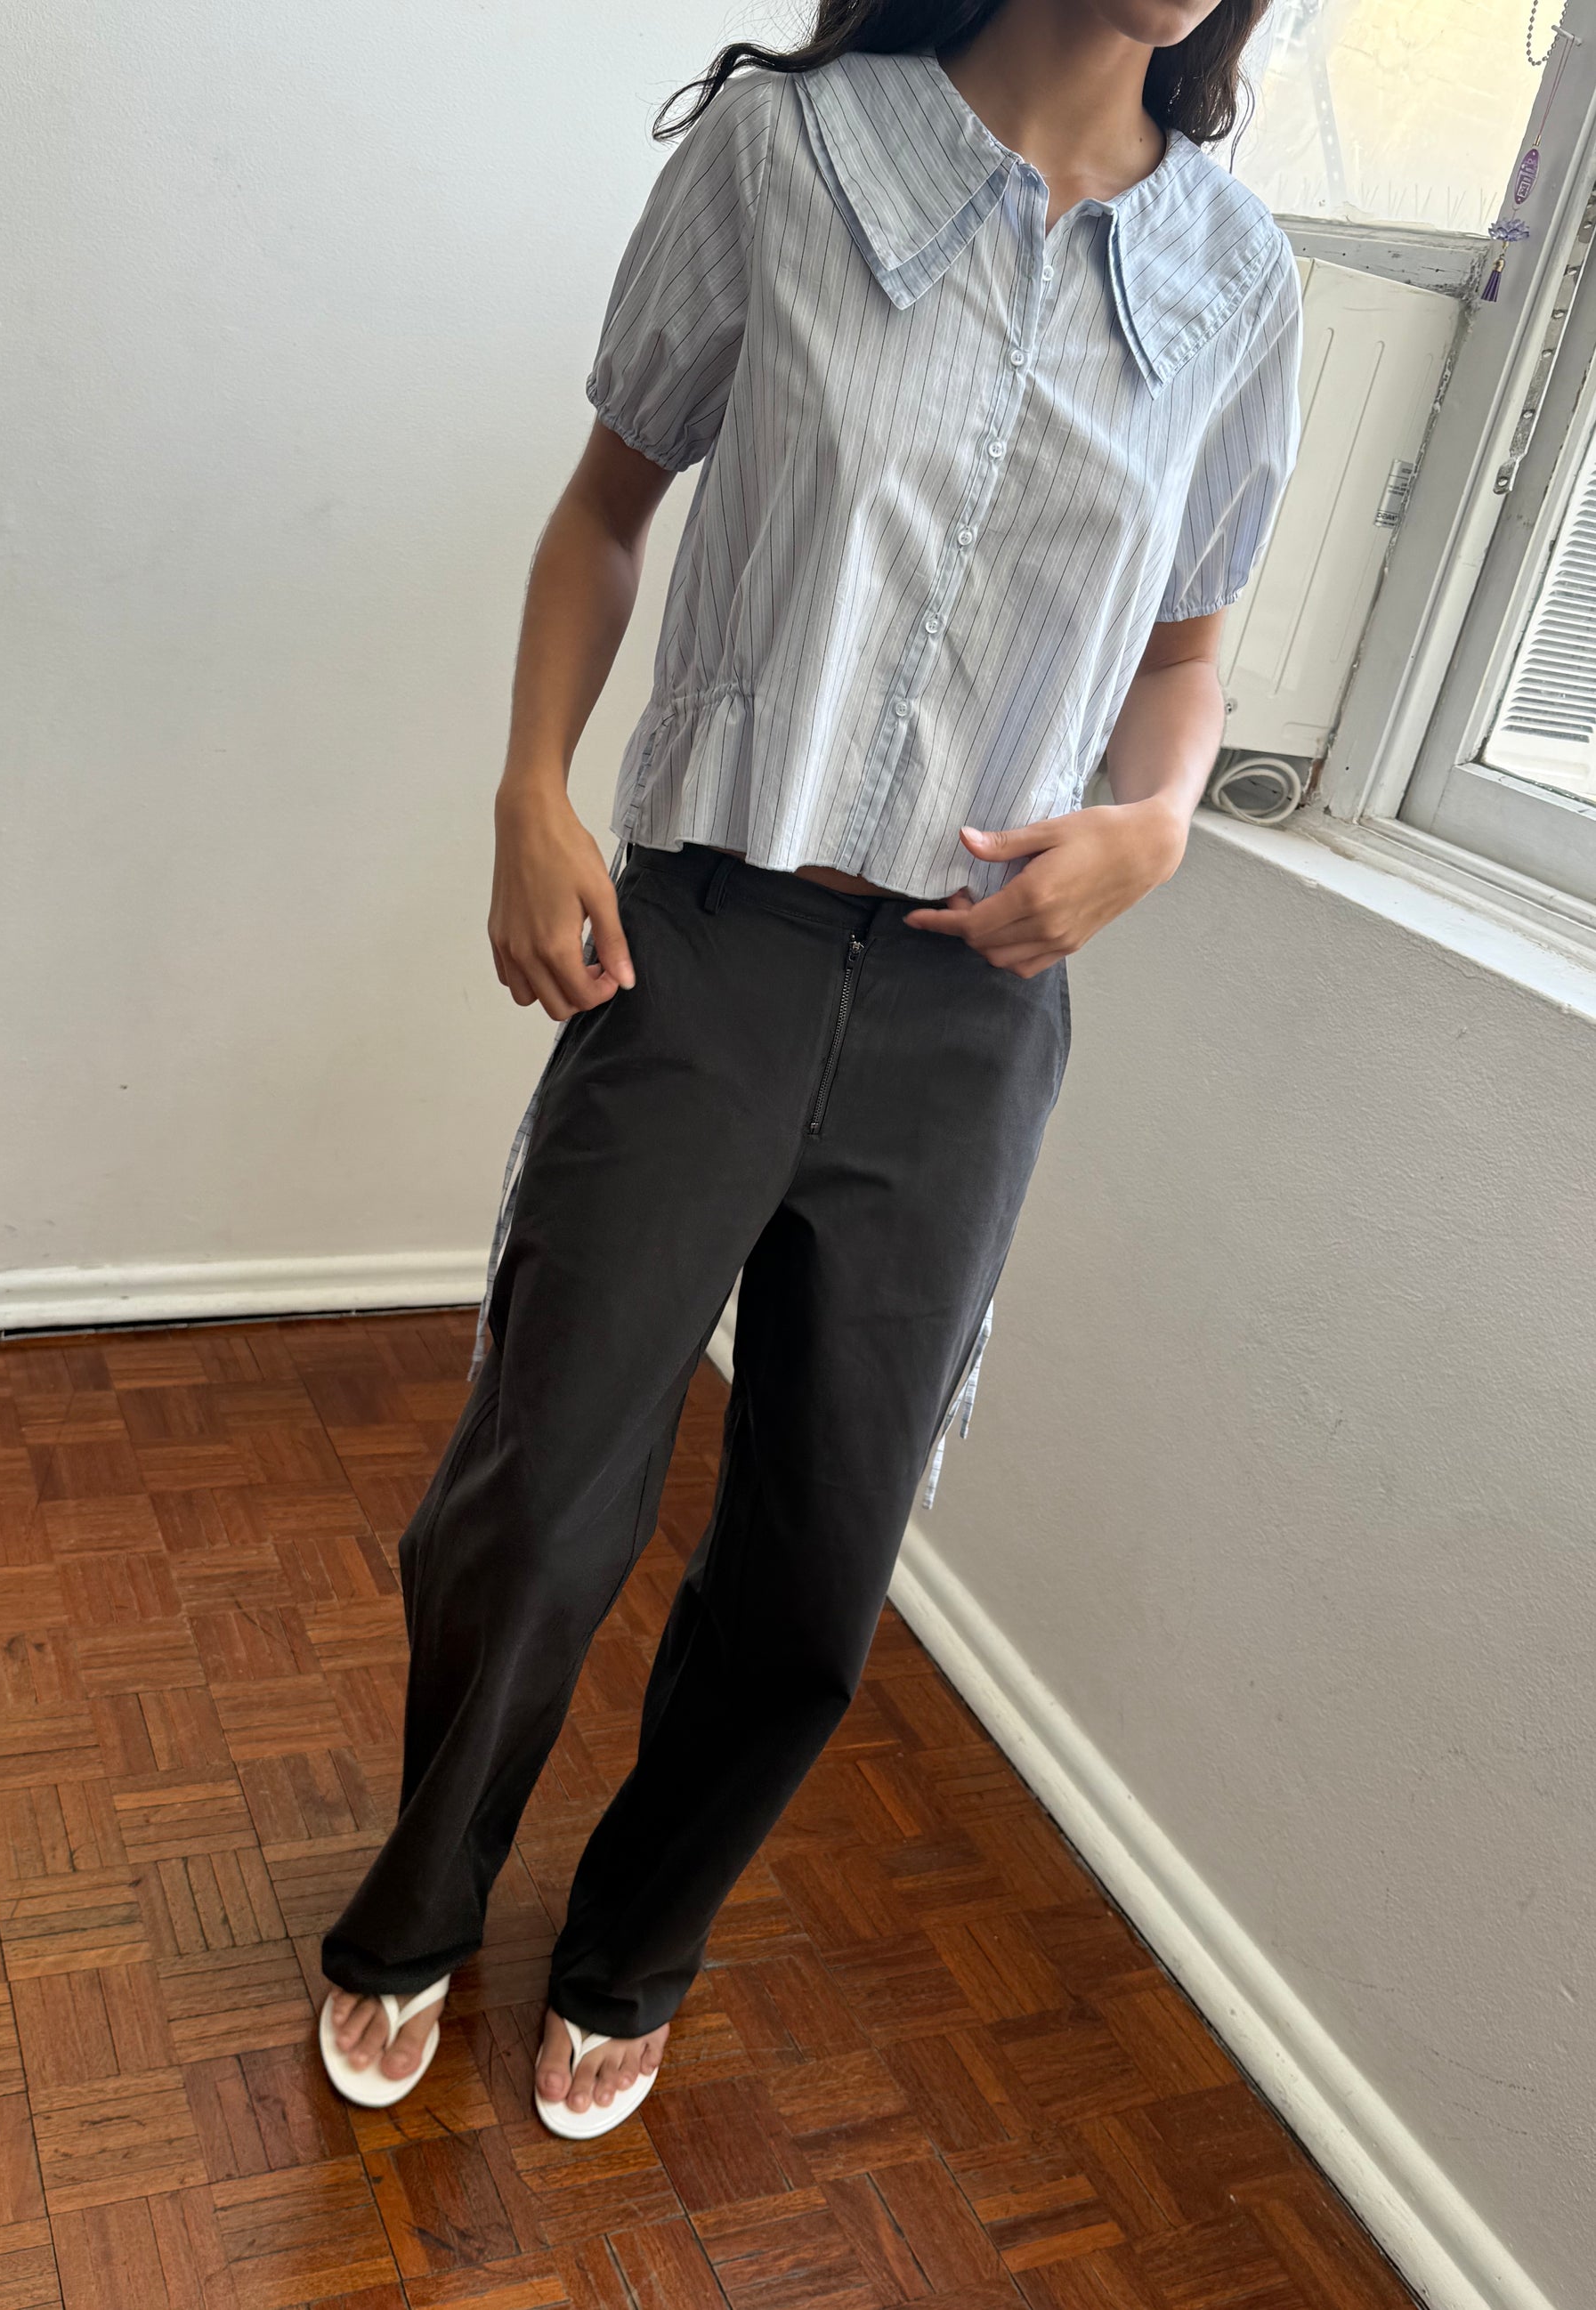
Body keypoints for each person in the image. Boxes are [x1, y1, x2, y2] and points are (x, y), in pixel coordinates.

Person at [316, 0, 1300, 2134]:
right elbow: (607, 503)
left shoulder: (1241, 278)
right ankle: (417, 1902)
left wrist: (1155, 824)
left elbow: (1191, 650)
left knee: (825, 1546)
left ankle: (632, 1945)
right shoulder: (785, 158)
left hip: (974, 1008)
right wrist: (528, 786)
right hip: (710, 942)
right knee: (538, 1486)